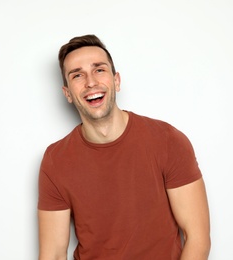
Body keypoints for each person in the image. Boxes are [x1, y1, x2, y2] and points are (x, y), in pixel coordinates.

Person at [37, 34, 210, 260]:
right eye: (77, 75)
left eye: (99, 70)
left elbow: (197, 238)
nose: (90, 82)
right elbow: (54, 254)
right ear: (67, 93)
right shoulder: (56, 160)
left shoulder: (167, 141)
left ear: (116, 81)